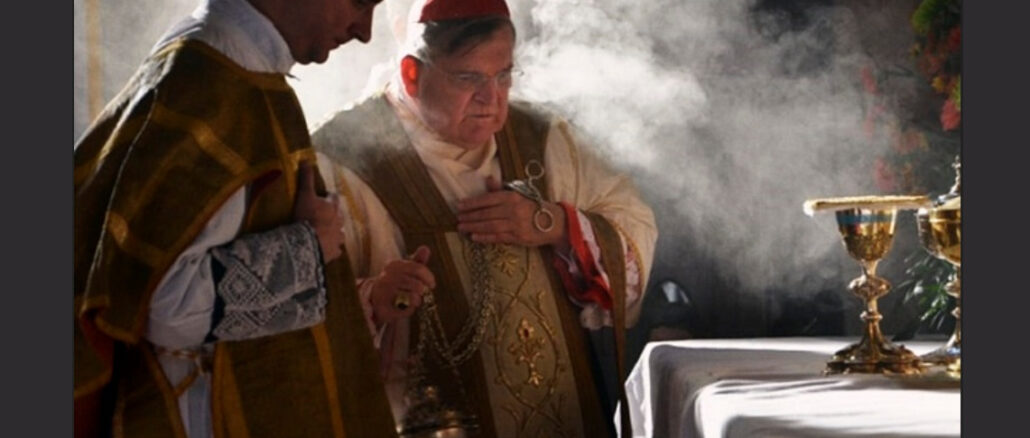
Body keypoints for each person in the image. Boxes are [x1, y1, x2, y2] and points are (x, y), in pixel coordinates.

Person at [310, 0, 658, 436]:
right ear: (412, 74)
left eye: (504, 76)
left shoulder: (541, 136)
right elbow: (297, 318)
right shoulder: (341, 160)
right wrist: (372, 298)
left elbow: (632, 227)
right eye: (469, 78)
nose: (492, 101)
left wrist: (554, 225)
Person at [73, 0, 399, 436]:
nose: (365, 32)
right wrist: (307, 249)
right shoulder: (212, 80)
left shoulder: (236, 69)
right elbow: (162, 304)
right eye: (360, 4)